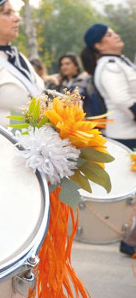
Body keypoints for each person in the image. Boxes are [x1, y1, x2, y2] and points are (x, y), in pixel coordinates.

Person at [80, 24, 136, 256]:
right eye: (109, 35)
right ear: (99, 45)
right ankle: (130, 240)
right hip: (127, 134)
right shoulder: (110, 65)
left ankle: (131, 241)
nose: (116, 35)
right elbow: (121, 99)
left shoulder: (118, 61)